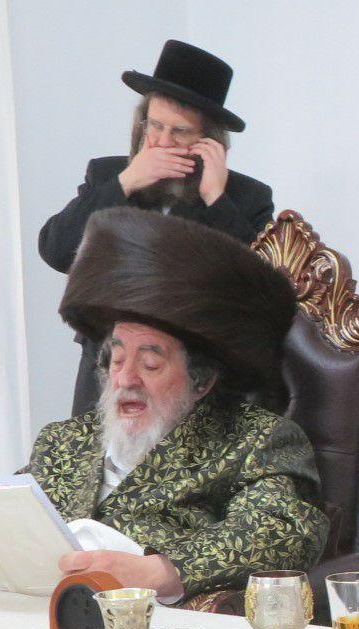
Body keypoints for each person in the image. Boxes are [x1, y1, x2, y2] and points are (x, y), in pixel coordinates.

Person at [0, 209, 326, 603]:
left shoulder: (256, 439)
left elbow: (284, 531)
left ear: (202, 381)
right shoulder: (64, 441)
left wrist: (160, 571)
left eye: (150, 364)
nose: (125, 379)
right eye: (117, 359)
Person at [38, 40, 276, 415]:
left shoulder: (247, 199)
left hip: (197, 385)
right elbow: (56, 250)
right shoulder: (108, 175)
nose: (162, 142)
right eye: (155, 126)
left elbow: (256, 298)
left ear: (209, 142)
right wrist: (125, 183)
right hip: (107, 372)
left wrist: (216, 199)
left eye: (179, 132)